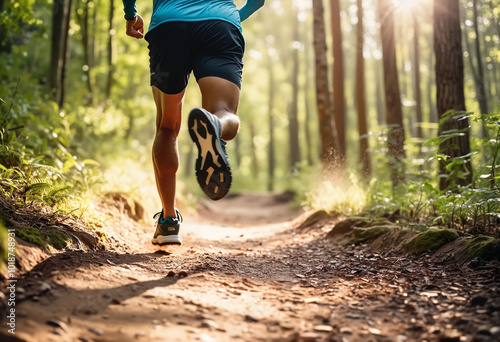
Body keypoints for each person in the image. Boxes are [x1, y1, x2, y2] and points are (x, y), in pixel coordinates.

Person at [122, 0, 265, 245]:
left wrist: (130, 14)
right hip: (220, 25)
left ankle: (168, 221)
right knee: (224, 111)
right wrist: (233, 16)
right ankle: (215, 126)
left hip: (169, 26)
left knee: (166, 126)